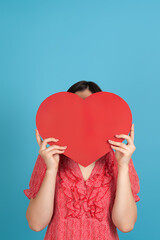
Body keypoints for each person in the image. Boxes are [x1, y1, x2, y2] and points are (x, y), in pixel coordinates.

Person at [23, 80, 140, 240]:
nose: (84, 120)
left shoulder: (119, 157)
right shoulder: (49, 156)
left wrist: (123, 166)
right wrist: (51, 170)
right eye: (75, 113)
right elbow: (36, 224)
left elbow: (125, 225)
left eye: (91, 112)